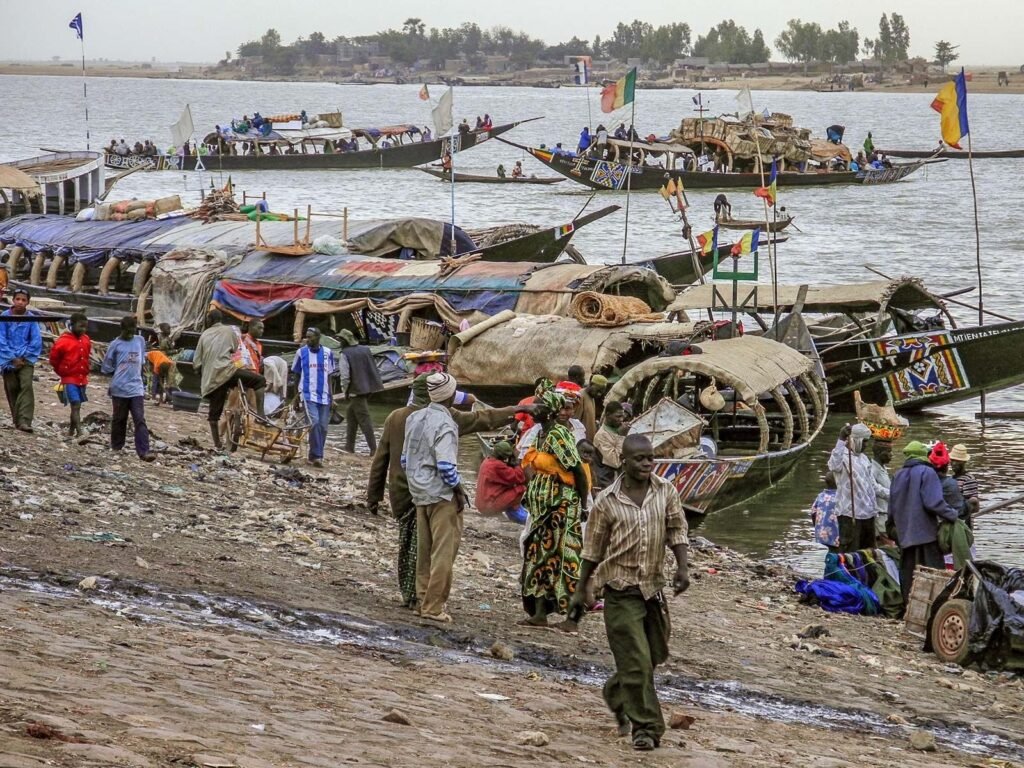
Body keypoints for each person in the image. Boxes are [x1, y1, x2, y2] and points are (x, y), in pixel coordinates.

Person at [569, 434, 689, 751]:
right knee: (635, 662)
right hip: (620, 591)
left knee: (654, 655)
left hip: (652, 589)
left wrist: (682, 568)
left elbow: (677, 529)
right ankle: (646, 728)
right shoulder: (607, 501)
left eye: (650, 458)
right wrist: (582, 588)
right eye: (639, 459)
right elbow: (592, 550)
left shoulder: (665, 491)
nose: (647, 464)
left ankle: (616, 691)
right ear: (623, 461)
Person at [368, 375, 527, 611]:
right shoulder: (446, 419)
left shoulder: (399, 417)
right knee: (439, 551)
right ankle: (429, 604)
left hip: (407, 491)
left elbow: (382, 459)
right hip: (436, 493)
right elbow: (481, 420)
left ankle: (413, 595)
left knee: (413, 547)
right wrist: (458, 489)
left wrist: (374, 494)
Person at [400, 372, 468, 623]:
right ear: (450, 396)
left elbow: (405, 459)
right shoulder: (447, 424)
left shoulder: (415, 417)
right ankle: (434, 607)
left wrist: (417, 482)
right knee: (443, 554)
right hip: (441, 494)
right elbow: (447, 466)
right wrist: (459, 490)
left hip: (419, 492)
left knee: (425, 550)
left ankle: (421, 601)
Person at [520, 390, 590, 632]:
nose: (532, 409)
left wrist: (583, 504)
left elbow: (578, 472)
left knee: (566, 561)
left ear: (548, 411)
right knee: (540, 560)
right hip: (543, 509)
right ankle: (539, 613)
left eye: (537, 407)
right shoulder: (541, 434)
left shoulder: (559, 435)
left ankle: (572, 619)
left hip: (562, 507)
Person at [889, 440, 959, 607]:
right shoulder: (927, 472)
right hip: (926, 535)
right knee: (932, 575)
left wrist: (893, 529)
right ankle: (932, 610)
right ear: (924, 456)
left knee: (909, 576)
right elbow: (933, 502)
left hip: (905, 536)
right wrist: (953, 515)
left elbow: (891, 508)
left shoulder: (898, 475)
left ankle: (910, 610)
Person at [193, 310, 267, 451]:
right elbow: (234, 350)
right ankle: (260, 415)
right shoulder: (230, 331)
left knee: (213, 415)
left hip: (212, 380)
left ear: (209, 320)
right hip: (228, 372)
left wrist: (203, 374)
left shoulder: (204, 335)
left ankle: (217, 444)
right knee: (260, 381)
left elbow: (196, 363)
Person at [100, 316, 155, 462]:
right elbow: (106, 367)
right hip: (119, 388)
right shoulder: (115, 344)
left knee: (139, 419)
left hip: (136, 388)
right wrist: (119, 372)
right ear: (122, 329)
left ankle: (144, 451)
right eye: (128, 331)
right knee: (119, 419)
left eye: (133, 330)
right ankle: (117, 446)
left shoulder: (140, 341)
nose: (131, 334)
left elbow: (141, 361)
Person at [290, 327, 337, 468]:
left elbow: (329, 376)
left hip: (324, 396)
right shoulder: (301, 352)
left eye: (310, 337)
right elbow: (296, 375)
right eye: (306, 337)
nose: (308, 340)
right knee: (314, 423)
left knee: (323, 427)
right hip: (307, 394)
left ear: (318, 338)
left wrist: (332, 397)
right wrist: (295, 396)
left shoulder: (328, 353)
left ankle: (313, 456)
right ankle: (318, 456)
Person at [827, 423, 878, 552]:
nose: (867, 445)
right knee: (851, 554)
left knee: (868, 553)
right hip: (850, 516)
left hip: (868, 514)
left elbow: (873, 487)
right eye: (864, 441)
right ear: (855, 440)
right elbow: (833, 465)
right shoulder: (842, 456)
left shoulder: (864, 459)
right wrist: (841, 439)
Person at [0, 287, 42, 432]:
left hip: (26, 360)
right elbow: (1, 340)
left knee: (26, 386)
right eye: (18, 299)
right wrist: (12, 358)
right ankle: (17, 420)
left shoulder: (31, 319)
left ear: (28, 303)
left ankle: (24, 421)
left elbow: (36, 341)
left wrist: (23, 357)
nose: (20, 302)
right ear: (13, 300)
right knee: (12, 388)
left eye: (23, 300)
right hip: (7, 360)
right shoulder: (4, 316)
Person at [338, 329, 383, 454]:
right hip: (367, 388)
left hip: (355, 390)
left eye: (340, 340)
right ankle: (349, 446)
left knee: (364, 419)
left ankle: (374, 449)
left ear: (344, 341)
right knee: (351, 415)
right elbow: (372, 368)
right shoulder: (365, 350)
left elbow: (345, 377)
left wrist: (345, 391)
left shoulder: (345, 354)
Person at [49, 312, 91, 438]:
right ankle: (79, 431)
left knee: (76, 406)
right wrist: (61, 372)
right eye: (80, 326)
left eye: (85, 327)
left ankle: (71, 431)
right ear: (71, 325)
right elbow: (54, 359)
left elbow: (87, 356)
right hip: (69, 378)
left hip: (82, 378)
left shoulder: (86, 340)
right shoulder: (63, 341)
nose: (83, 330)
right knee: (76, 404)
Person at [475, 440, 527, 523]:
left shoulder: (486, 461)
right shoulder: (497, 466)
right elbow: (520, 477)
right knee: (521, 488)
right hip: (488, 506)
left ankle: (507, 509)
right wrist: (516, 464)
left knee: (510, 487)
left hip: (481, 504)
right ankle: (514, 511)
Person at [593, 400, 630, 490]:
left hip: (620, 483)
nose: (621, 419)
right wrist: (621, 437)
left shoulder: (619, 430)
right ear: (608, 415)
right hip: (607, 485)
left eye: (622, 416)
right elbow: (615, 462)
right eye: (618, 416)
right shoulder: (601, 436)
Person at [950, 444, 979, 529]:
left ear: (964, 462)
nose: (954, 464)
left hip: (963, 523)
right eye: (952, 460)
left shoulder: (969, 479)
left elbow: (972, 506)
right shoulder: (951, 479)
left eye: (957, 461)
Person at [810, 472, 840, 552]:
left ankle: (831, 562)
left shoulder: (821, 496)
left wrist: (817, 528)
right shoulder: (840, 497)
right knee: (838, 553)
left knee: (832, 551)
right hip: (837, 534)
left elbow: (813, 512)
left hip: (823, 533)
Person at [574, 374, 608, 443]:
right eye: (598, 391)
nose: (599, 394)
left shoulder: (592, 397)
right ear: (591, 384)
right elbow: (575, 422)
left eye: (601, 392)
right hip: (580, 442)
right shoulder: (580, 396)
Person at [871, 441, 893, 541]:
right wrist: (893, 495)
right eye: (888, 452)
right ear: (880, 453)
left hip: (886, 514)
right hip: (879, 516)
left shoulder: (882, 468)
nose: (891, 454)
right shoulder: (872, 468)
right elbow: (873, 487)